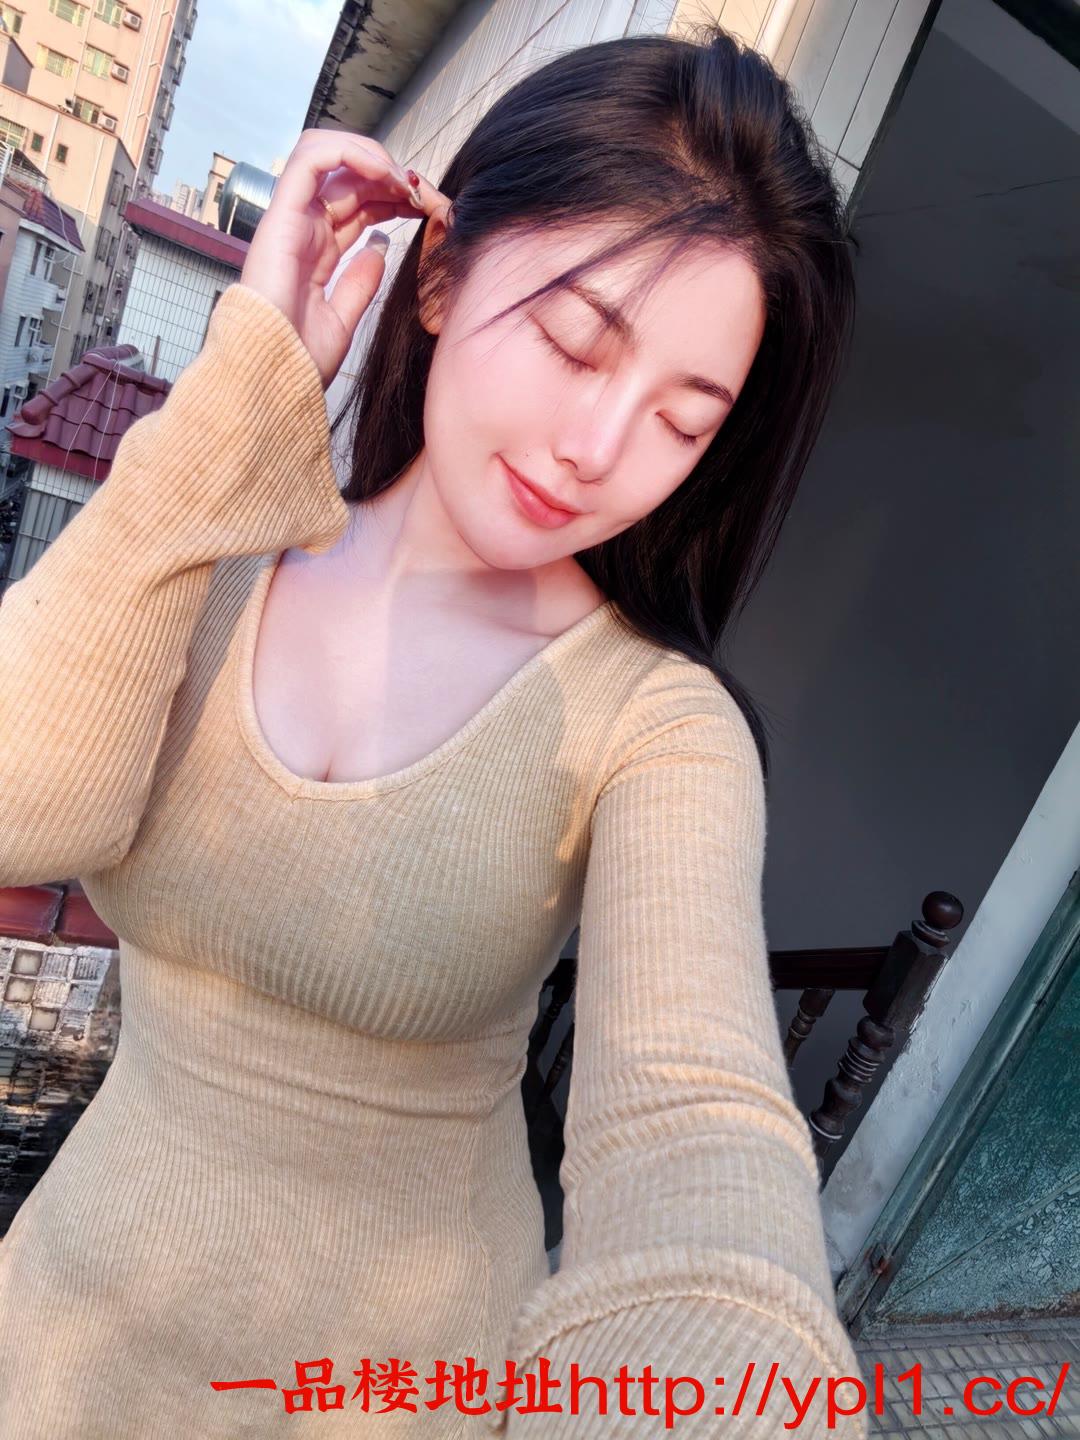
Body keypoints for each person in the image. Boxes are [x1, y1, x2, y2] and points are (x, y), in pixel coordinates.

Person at [0, 24, 868, 1439]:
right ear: (445, 271)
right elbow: (22, 802)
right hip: (64, 1342)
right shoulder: (222, 550)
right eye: (577, 343)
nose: (600, 448)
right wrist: (244, 384)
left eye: (683, 420)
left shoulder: (656, 726)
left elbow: (693, 1117)